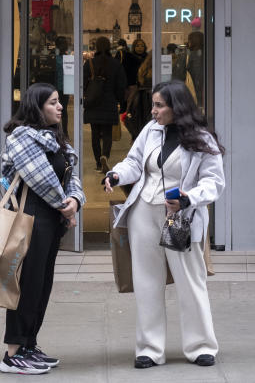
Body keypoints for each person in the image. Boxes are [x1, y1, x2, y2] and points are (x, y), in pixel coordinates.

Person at [102, 81, 224, 369]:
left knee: (190, 281)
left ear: (176, 107)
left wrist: (189, 198)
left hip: (181, 216)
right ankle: (149, 349)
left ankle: (201, 346)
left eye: (159, 105)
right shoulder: (150, 130)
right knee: (146, 282)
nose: (153, 111)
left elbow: (214, 182)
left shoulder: (202, 139)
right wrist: (117, 175)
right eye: (154, 105)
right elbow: (134, 162)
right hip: (144, 211)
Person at [0, 83, 85, 375]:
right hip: (30, 217)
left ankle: (29, 344)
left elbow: (70, 174)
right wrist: (65, 204)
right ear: (37, 107)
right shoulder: (21, 137)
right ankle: (12, 354)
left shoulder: (56, 139)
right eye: (52, 103)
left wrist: (75, 200)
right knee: (27, 285)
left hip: (50, 219)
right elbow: (41, 177)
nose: (60, 107)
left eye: (59, 102)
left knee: (42, 285)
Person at [83, 36, 127, 172]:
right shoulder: (115, 64)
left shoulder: (89, 64)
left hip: (93, 103)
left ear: (96, 47)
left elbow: (83, 84)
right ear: (109, 47)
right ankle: (105, 156)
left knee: (95, 133)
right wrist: (121, 102)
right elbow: (121, 85)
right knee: (107, 132)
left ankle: (98, 163)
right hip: (109, 101)